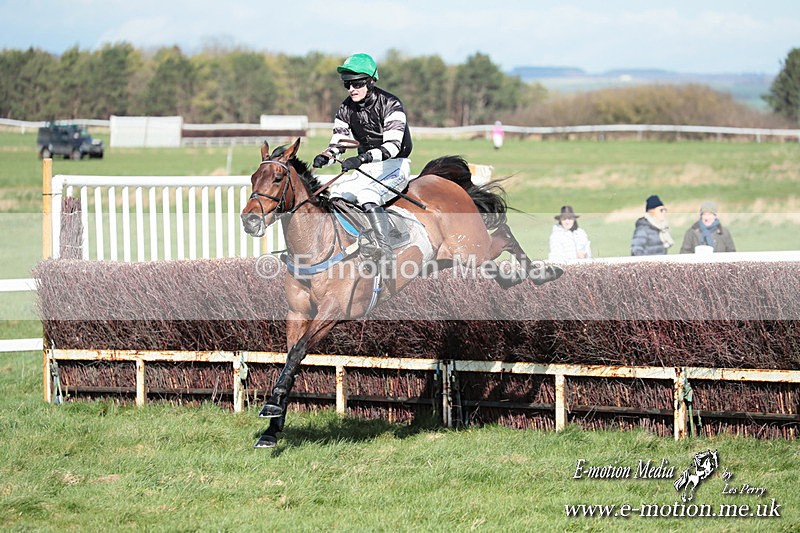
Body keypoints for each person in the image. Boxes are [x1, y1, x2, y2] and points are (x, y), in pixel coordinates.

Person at [312, 53, 413, 264]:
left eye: (357, 83)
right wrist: (326, 157)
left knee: (368, 194)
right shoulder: (345, 108)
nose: (351, 89)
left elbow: (393, 147)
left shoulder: (392, 104)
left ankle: (384, 250)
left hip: (394, 166)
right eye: (347, 84)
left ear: (370, 81)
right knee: (336, 194)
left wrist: (361, 159)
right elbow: (338, 144)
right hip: (367, 168)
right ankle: (352, 241)